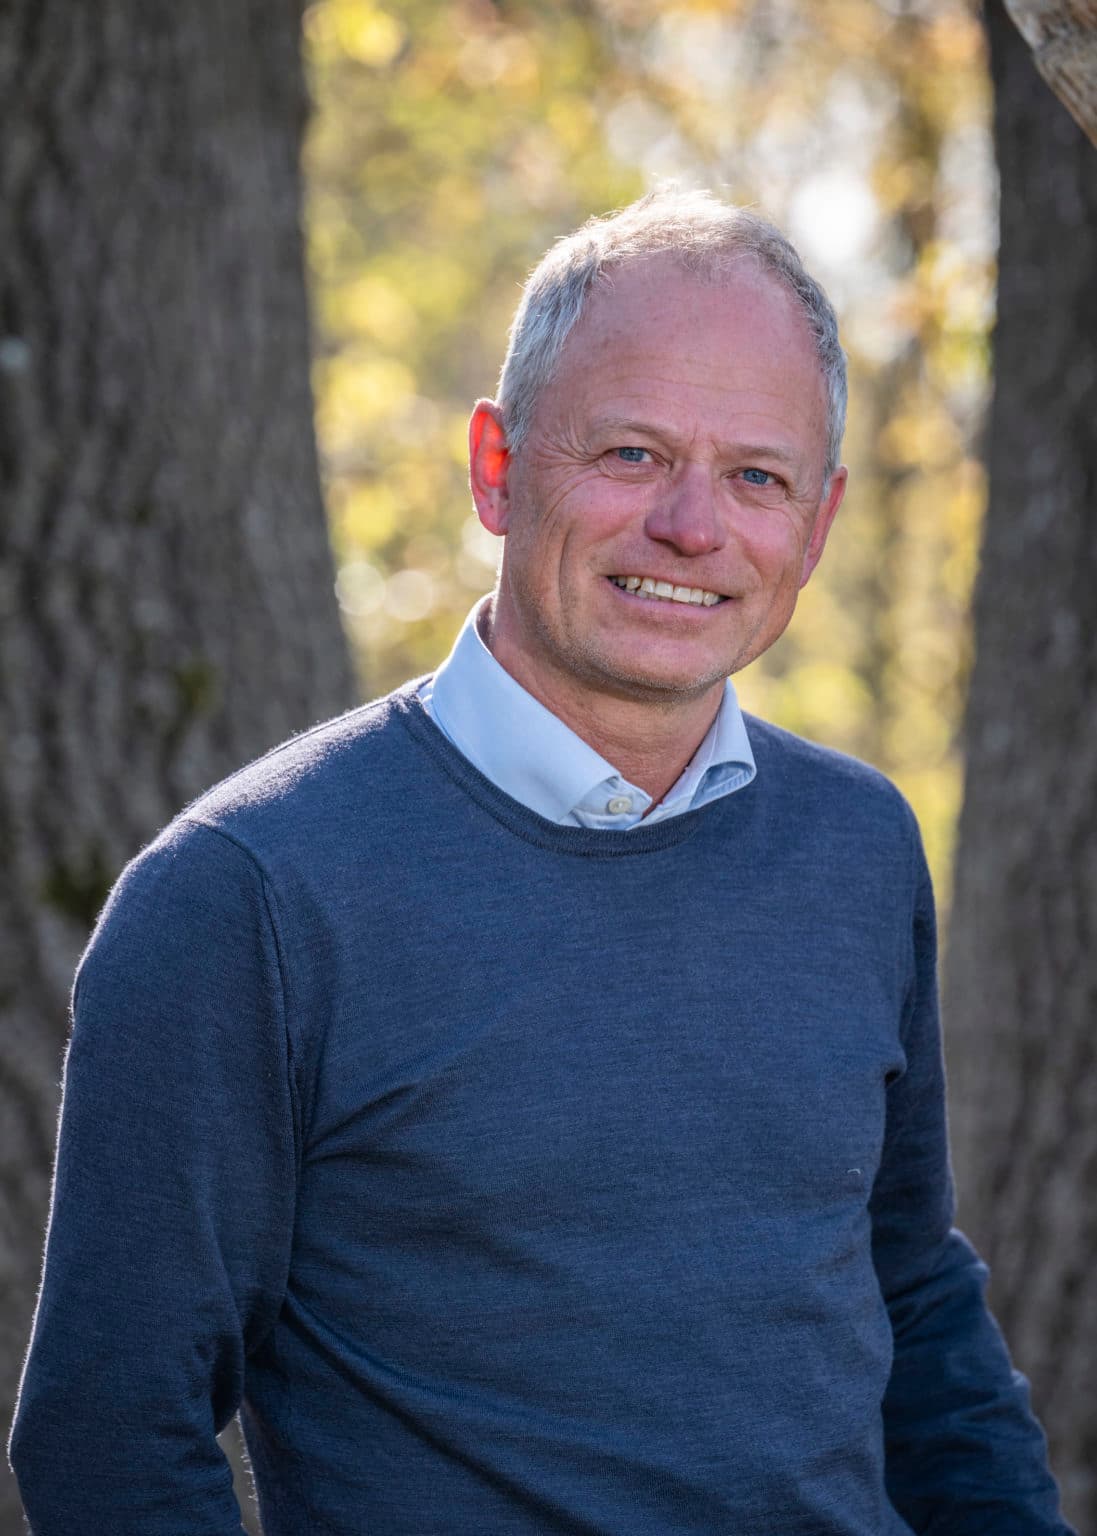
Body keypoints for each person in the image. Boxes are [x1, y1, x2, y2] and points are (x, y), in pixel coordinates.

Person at [9, 190, 1073, 1535]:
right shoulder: (245, 895)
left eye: (756, 475)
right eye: (630, 453)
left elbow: (906, 1287)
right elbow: (111, 1432)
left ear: (816, 523)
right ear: (497, 468)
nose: (694, 526)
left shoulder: (856, 845)